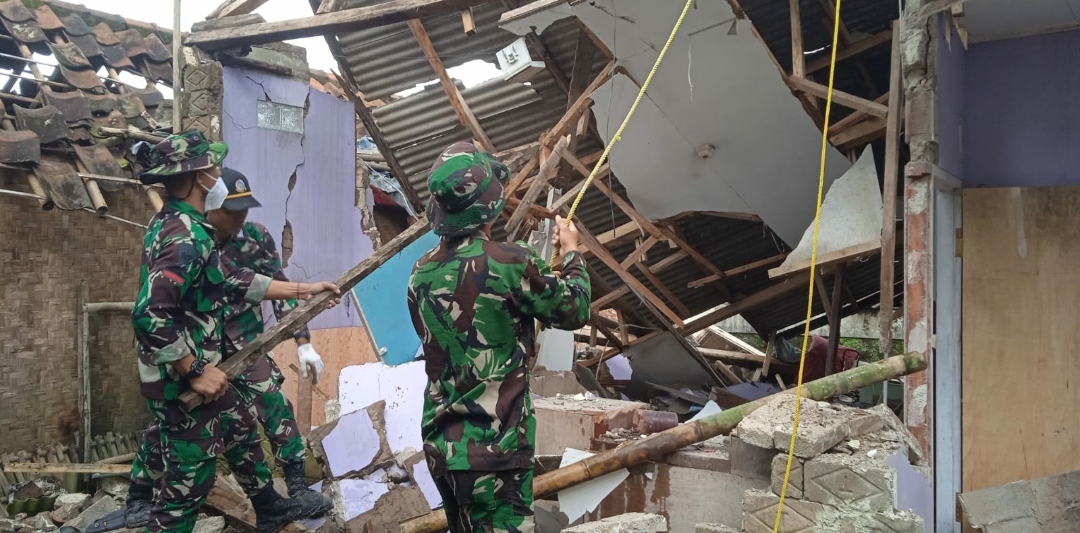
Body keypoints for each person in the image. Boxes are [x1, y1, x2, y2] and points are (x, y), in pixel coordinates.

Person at [130, 130, 339, 533]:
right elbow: (149, 315)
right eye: (211, 168)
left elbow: (233, 280)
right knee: (186, 488)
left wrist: (303, 289)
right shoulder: (186, 237)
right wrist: (194, 369)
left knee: (241, 425)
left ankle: (271, 508)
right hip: (179, 382)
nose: (217, 172)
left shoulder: (180, 223)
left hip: (196, 369)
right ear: (196, 178)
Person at [407, 142, 592, 533]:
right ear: (490, 205)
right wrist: (574, 253)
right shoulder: (510, 262)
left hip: (442, 446)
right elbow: (575, 309)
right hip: (495, 451)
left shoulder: (419, 273)